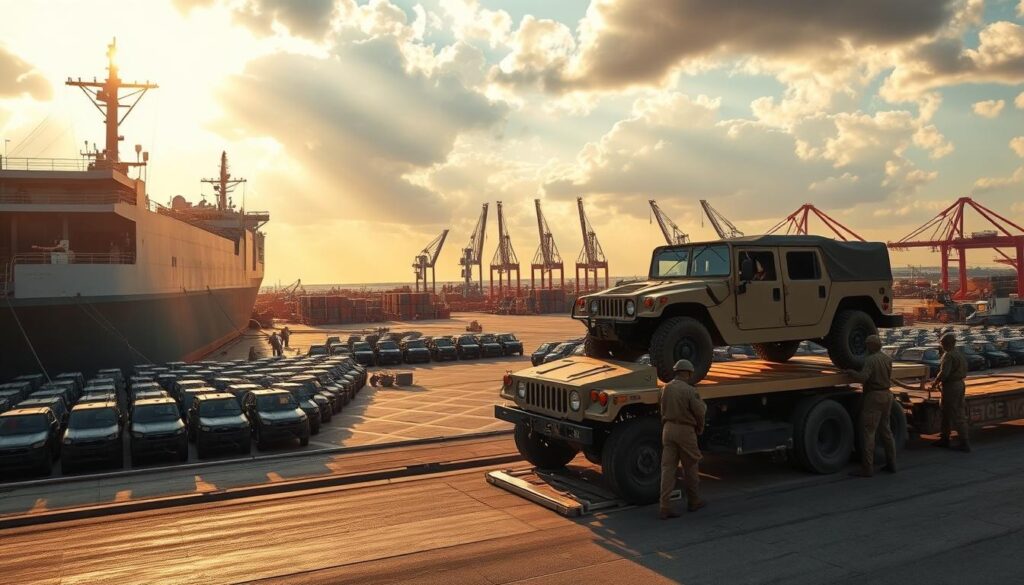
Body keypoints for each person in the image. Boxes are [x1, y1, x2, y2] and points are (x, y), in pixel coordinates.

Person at [658, 359, 707, 519]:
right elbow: (700, 411)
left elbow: (662, 408)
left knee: (667, 469)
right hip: (685, 431)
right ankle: (694, 501)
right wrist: (700, 427)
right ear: (688, 372)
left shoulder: (666, 388)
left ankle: (664, 506)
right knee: (691, 467)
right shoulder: (689, 390)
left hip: (668, 429)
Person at [845, 334, 897, 477]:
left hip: (874, 396)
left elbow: (863, 377)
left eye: (867, 344)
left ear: (871, 346)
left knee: (869, 433)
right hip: (887, 394)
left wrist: (852, 373)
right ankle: (892, 463)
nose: (866, 347)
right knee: (886, 431)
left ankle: (867, 468)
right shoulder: (887, 359)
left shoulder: (870, 360)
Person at [931, 333, 970, 452]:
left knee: (956, 414)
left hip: (951, 387)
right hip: (959, 384)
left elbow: (944, 373)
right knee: (946, 413)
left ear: (947, 343)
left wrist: (935, 382)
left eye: (942, 343)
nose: (941, 345)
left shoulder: (948, 355)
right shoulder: (959, 354)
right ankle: (945, 439)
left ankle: (964, 443)